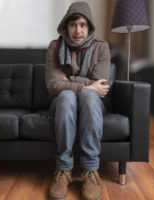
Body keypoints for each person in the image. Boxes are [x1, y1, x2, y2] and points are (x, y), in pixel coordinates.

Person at [45, 2, 110, 200]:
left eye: (82, 24)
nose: (78, 30)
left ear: (89, 26)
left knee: (89, 96)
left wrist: (69, 81)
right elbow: (53, 86)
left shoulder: (101, 47)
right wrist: (86, 85)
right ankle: (63, 170)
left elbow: (100, 86)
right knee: (66, 97)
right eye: (73, 25)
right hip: (62, 103)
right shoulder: (55, 47)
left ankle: (91, 171)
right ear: (66, 27)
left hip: (91, 103)